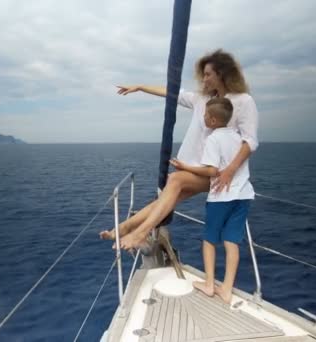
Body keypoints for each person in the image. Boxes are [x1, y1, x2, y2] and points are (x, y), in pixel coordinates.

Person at [100, 49, 259, 250]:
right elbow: (171, 92)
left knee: (174, 181)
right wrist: (140, 87)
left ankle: (140, 233)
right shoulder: (202, 99)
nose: (204, 79)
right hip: (196, 169)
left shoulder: (243, 101)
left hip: (219, 174)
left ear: (222, 74)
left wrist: (230, 170)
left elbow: (250, 141)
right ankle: (123, 228)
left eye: (208, 74)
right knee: (169, 196)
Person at [170, 98, 254, 304]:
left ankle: (209, 284)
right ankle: (226, 288)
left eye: (206, 115)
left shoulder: (213, 139)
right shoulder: (239, 138)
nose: (204, 117)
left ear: (214, 120)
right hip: (243, 196)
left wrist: (184, 167)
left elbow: (211, 170)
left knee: (209, 240)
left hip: (221, 198)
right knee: (231, 241)